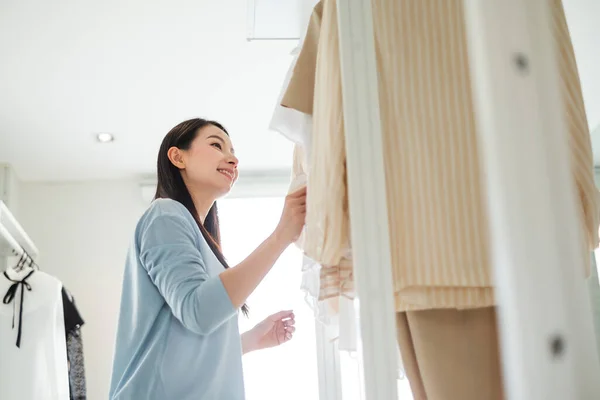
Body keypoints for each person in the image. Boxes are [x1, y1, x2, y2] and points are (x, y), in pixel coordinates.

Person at [109, 118, 307, 400]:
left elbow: (184, 342)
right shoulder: (165, 214)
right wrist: (280, 237)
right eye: (216, 144)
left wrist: (249, 341)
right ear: (178, 157)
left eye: (233, 151)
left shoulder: (198, 237)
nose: (233, 159)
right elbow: (199, 312)